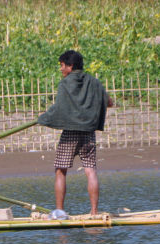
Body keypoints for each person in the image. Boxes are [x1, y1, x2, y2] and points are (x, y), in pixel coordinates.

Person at [38, 50, 113, 217]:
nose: (61, 70)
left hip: (70, 133)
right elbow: (109, 102)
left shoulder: (65, 84)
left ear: (70, 66)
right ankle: (94, 212)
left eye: (62, 66)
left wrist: (42, 119)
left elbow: (58, 109)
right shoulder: (94, 82)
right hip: (88, 132)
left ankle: (60, 211)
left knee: (60, 169)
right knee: (91, 170)